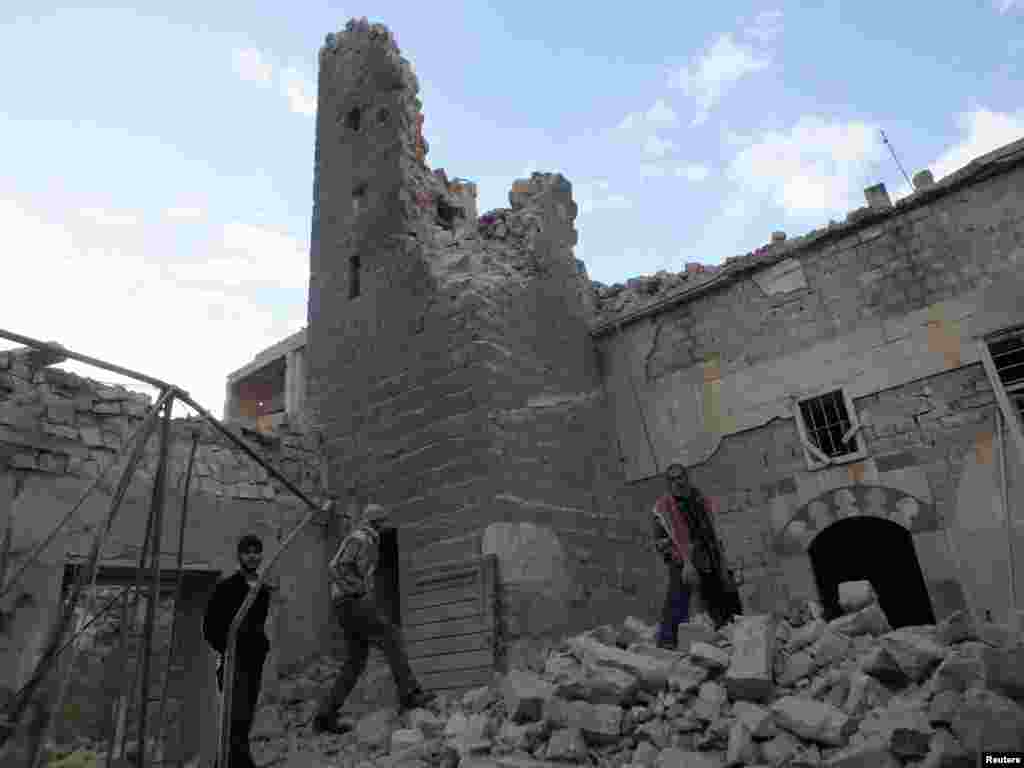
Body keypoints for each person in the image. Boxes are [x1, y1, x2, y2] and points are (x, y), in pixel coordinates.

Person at [312, 503, 436, 735]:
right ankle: (410, 694)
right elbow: (336, 566)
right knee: (391, 635)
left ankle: (325, 716)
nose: (385, 526)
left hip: (345, 604)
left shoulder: (366, 539)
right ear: (376, 522)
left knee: (355, 661)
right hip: (349, 602)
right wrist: (357, 590)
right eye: (384, 522)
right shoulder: (361, 537)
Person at [652, 463, 742, 645]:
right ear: (668, 483)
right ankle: (667, 641)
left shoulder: (699, 498)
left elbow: (712, 527)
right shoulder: (663, 507)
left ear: (687, 477)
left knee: (721, 594)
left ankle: (728, 634)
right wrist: (681, 562)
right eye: (673, 479)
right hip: (683, 560)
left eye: (680, 477)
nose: (678, 482)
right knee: (678, 599)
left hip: (708, 554)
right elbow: (661, 542)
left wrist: (721, 556)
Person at [203, 534, 272, 768]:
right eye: (248, 552)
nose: (253, 556)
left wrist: (261, 644)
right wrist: (229, 648)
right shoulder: (226, 588)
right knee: (235, 720)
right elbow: (210, 627)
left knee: (243, 721)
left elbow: (257, 625)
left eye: (257, 551)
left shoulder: (262, 590)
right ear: (239, 555)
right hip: (233, 664)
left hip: (254, 663)